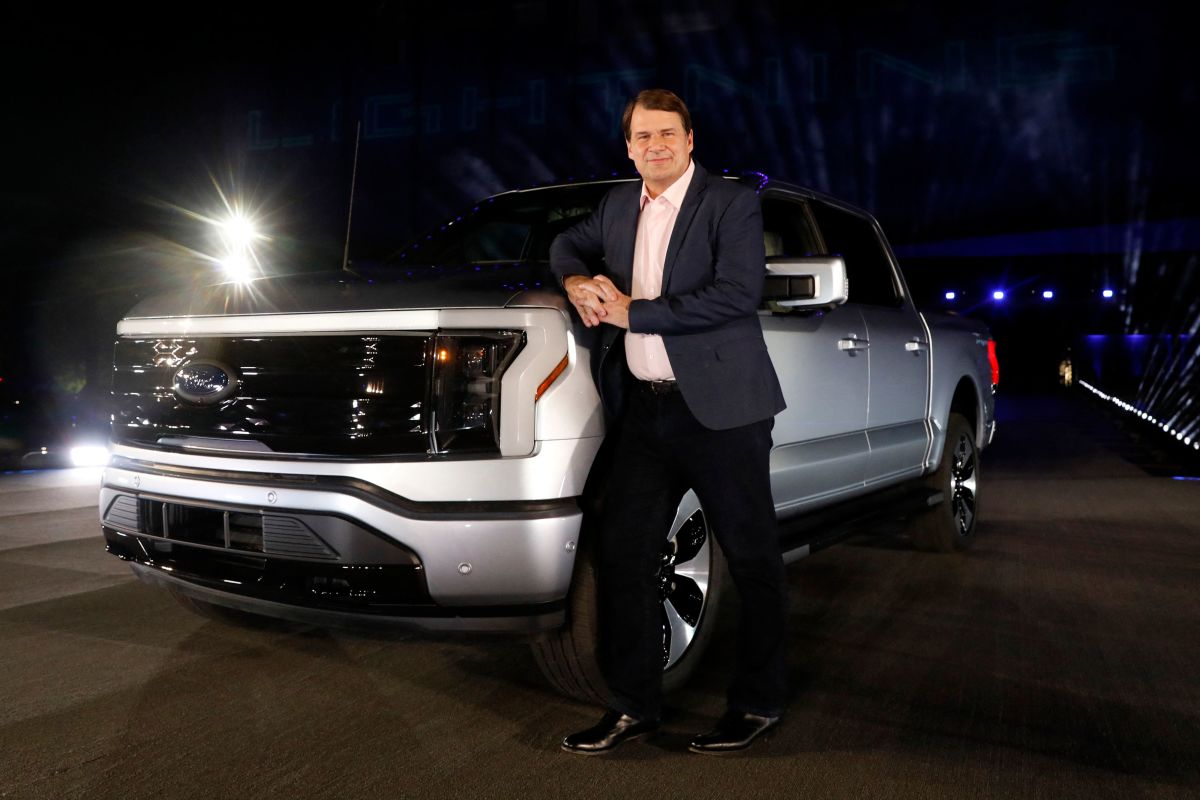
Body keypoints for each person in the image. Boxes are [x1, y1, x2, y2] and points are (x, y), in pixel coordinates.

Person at [551, 88, 789, 755]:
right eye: (642, 136)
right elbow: (566, 243)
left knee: (752, 559)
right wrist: (574, 281)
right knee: (624, 559)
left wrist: (637, 312)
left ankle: (758, 703)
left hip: (723, 413)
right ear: (628, 147)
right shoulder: (618, 205)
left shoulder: (729, 202)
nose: (654, 146)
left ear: (689, 140)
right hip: (643, 411)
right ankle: (633, 706)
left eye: (666, 134)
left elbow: (739, 293)